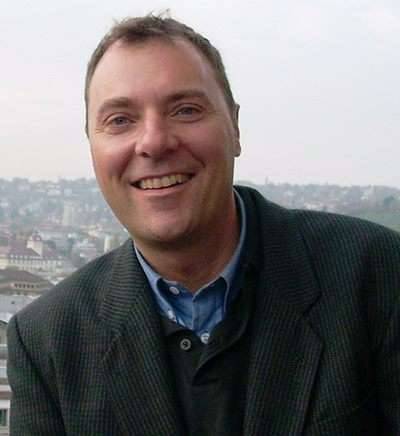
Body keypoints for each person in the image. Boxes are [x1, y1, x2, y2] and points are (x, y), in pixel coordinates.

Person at [7, 14, 400, 436]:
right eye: (120, 120)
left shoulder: (375, 274)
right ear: (92, 146)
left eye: (186, 110)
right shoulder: (47, 340)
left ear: (235, 127)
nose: (154, 142)